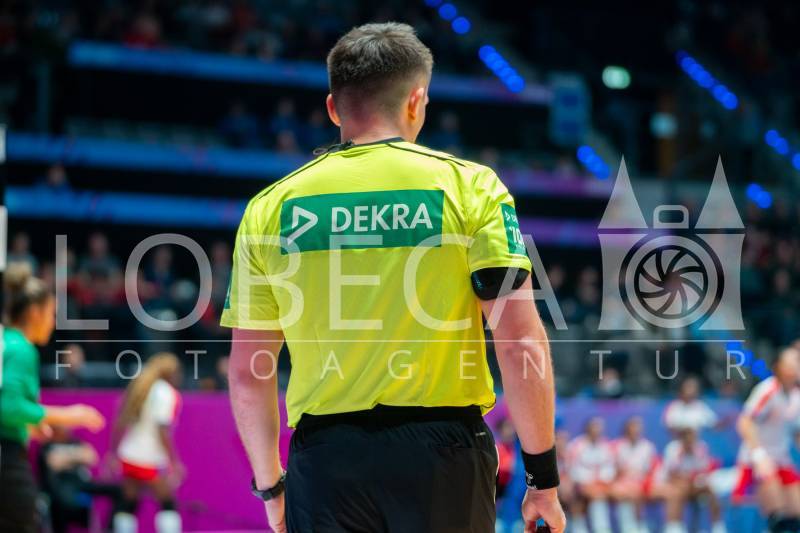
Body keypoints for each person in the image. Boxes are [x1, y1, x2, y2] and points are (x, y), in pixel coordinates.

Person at [223, 22, 565, 533]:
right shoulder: (471, 188)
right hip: (444, 459)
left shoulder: (269, 208)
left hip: (325, 463)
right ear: (416, 101)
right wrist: (542, 480)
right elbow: (520, 342)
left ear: (334, 108)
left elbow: (249, 373)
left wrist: (273, 489)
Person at [0, 264, 105, 532]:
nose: (54, 322)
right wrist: (71, 415)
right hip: (7, 458)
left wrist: (30, 425)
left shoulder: (7, 343)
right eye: (51, 313)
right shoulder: (21, 349)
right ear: (34, 312)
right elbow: (8, 406)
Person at [111, 353, 184, 533]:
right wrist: (174, 461)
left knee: (129, 503)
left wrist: (112, 453)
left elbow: (119, 423)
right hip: (151, 458)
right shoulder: (167, 393)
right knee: (167, 502)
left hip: (128, 455)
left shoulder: (140, 388)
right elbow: (162, 430)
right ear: (171, 373)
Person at [734, 347, 800, 532]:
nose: (797, 366)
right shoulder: (768, 390)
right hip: (758, 460)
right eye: (793, 362)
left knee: (795, 515)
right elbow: (744, 422)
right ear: (780, 367)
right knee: (778, 516)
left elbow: (796, 432)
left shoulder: (796, 396)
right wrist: (759, 456)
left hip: (781, 458)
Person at [38, 425, 121, 533]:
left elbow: (91, 457)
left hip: (81, 483)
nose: (66, 429)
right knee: (62, 501)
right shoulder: (47, 446)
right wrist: (77, 456)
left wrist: (64, 459)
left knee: (117, 490)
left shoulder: (76, 442)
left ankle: (109, 529)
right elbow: (54, 463)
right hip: (60, 485)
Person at [660, 428, 725, 533]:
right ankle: (674, 527)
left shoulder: (700, 447)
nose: (691, 443)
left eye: (693, 440)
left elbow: (704, 470)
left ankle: (717, 526)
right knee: (676, 492)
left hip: (694, 485)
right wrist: (681, 457)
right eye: (688, 441)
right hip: (677, 485)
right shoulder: (672, 449)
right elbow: (670, 475)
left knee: (710, 489)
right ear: (682, 440)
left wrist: (695, 479)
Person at [611, 416, 660, 533]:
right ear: (626, 430)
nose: (635, 431)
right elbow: (612, 470)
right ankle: (628, 526)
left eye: (638, 428)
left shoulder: (648, 447)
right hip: (621, 483)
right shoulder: (616, 446)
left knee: (637, 491)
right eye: (632, 428)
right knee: (623, 492)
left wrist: (643, 481)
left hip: (643, 483)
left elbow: (653, 470)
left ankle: (640, 524)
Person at [566, 417, 614, 533]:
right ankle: (579, 528)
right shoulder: (576, 445)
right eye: (594, 427)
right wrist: (588, 483)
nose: (597, 430)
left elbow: (610, 468)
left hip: (601, 485)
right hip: (581, 483)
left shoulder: (606, 446)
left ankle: (602, 528)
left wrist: (601, 482)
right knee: (578, 494)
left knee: (622, 493)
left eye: (599, 428)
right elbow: (572, 469)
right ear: (587, 429)